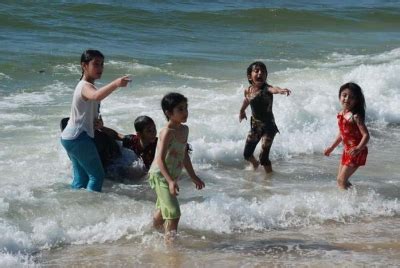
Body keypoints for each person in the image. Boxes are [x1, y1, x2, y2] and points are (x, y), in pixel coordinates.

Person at [60, 49, 131, 192]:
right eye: (96, 64)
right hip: (78, 138)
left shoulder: (87, 86)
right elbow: (97, 96)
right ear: (84, 65)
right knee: (97, 176)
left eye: (102, 65)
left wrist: (98, 123)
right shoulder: (84, 86)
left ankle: (76, 205)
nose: (100, 68)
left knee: (81, 178)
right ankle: (90, 207)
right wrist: (116, 84)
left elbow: (91, 108)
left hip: (70, 137)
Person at [148, 92, 205, 242]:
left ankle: (149, 234)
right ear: (168, 113)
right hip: (160, 175)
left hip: (171, 175)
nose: (185, 112)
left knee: (162, 212)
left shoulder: (184, 130)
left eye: (186, 108)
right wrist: (170, 181)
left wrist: (193, 176)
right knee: (174, 212)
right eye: (180, 109)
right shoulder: (167, 132)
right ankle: (171, 249)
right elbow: (159, 159)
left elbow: (184, 155)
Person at [239, 61, 291, 174]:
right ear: (249, 76)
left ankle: (269, 180)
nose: (260, 73)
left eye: (263, 71)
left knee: (263, 157)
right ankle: (255, 164)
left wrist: (281, 90)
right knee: (247, 154)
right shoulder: (248, 90)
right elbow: (247, 100)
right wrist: (242, 111)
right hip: (255, 127)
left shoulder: (267, 89)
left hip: (269, 127)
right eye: (256, 71)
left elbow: (274, 89)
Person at [324, 82, 369, 190]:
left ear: (356, 100)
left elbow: (366, 135)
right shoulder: (341, 114)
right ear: (340, 96)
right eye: (344, 95)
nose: (347, 99)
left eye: (351, 97)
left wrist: (358, 148)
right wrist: (332, 147)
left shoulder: (355, 116)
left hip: (357, 151)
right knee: (340, 180)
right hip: (347, 151)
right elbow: (342, 133)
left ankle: (350, 204)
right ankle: (354, 199)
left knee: (341, 180)